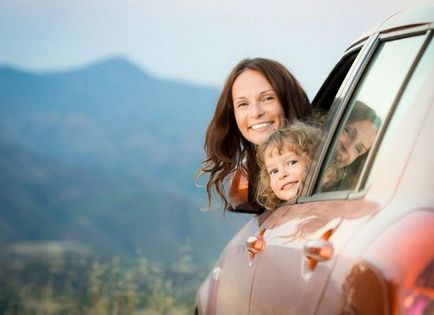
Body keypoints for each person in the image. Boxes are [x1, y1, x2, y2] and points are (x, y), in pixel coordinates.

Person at [198, 58, 312, 212]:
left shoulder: (323, 148)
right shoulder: (251, 173)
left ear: (287, 101)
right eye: (243, 104)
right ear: (233, 115)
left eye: (268, 98)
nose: (256, 112)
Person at [255, 121, 322, 210]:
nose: (282, 175)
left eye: (291, 163)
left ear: (316, 160)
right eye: (274, 171)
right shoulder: (281, 214)